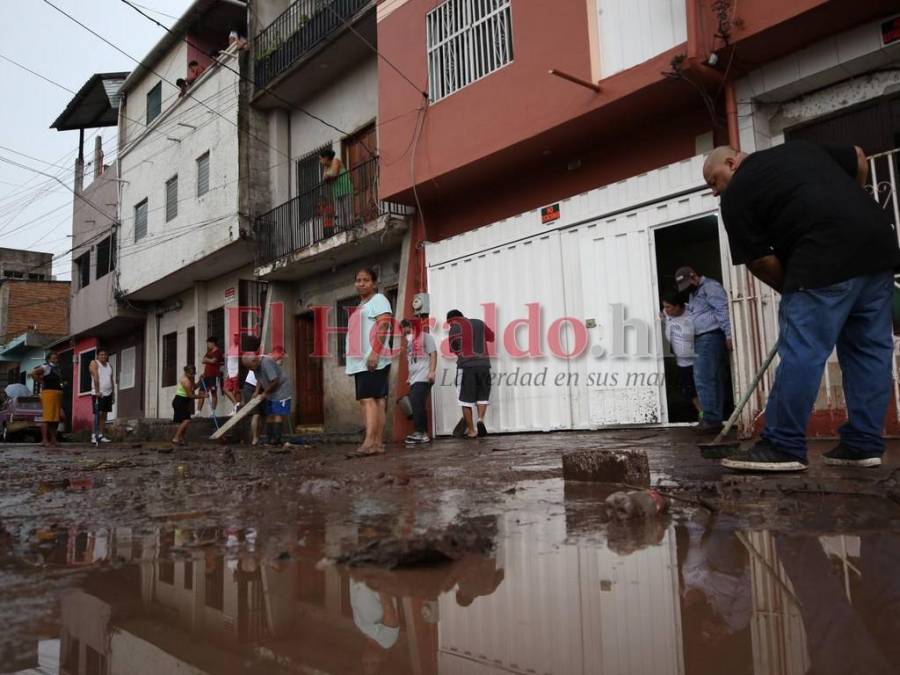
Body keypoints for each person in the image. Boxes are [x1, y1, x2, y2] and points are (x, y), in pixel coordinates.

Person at [704, 141, 900, 471]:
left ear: (731, 162)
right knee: (869, 350)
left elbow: (762, 262)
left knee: (803, 350)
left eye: (714, 181)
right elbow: (857, 156)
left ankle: (782, 444)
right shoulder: (803, 150)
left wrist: (796, 292)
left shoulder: (737, 194)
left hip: (822, 253)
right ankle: (863, 444)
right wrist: (849, 204)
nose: (714, 192)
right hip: (877, 247)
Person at [674, 266, 732, 433]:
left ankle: (711, 419)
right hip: (702, 338)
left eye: (687, 283)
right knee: (711, 379)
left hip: (709, 337)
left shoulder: (710, 288)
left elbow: (722, 310)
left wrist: (729, 334)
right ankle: (714, 418)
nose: (687, 288)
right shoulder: (694, 292)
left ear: (694, 276)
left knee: (704, 378)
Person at [346, 268, 393, 458]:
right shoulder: (362, 305)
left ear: (374, 283)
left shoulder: (378, 300)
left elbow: (384, 325)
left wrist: (375, 352)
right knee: (378, 400)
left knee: (368, 399)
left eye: (366, 280)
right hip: (363, 360)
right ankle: (378, 443)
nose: (361, 283)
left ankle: (369, 442)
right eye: (358, 280)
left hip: (370, 358)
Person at [447, 309, 495, 439]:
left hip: (466, 366)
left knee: (465, 401)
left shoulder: (454, 328)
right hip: (484, 365)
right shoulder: (479, 323)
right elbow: (491, 337)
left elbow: (454, 349)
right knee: (482, 397)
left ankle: (472, 431)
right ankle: (480, 420)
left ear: (451, 320)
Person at [662, 291, 701, 417]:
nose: (665, 310)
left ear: (678, 306)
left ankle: (711, 415)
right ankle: (702, 414)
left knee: (703, 387)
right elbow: (663, 314)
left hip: (698, 359)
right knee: (691, 390)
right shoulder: (666, 313)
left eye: (668, 307)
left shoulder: (691, 312)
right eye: (664, 307)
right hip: (683, 362)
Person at [246, 349, 293, 451]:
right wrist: (256, 391)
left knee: (277, 413)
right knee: (270, 413)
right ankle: (269, 438)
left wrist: (264, 393)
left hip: (281, 388)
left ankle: (276, 439)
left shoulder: (266, 363)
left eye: (250, 367)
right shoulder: (255, 368)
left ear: (255, 361)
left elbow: (275, 381)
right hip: (271, 390)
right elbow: (259, 379)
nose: (251, 369)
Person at [401, 319, 437, 446]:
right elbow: (412, 362)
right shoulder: (411, 343)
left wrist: (432, 371)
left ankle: (420, 432)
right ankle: (423, 434)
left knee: (416, 402)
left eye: (408, 332)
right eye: (404, 333)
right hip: (415, 378)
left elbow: (433, 354)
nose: (406, 335)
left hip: (424, 376)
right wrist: (409, 377)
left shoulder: (426, 337)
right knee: (417, 404)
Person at [31, 352, 64, 448]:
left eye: (56, 358)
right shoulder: (45, 367)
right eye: (53, 358)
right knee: (47, 417)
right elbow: (33, 373)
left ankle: (53, 439)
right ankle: (44, 440)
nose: (55, 360)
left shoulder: (58, 369)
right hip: (48, 393)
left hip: (57, 393)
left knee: (55, 418)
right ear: (49, 359)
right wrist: (41, 382)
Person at [172, 365, 206, 446]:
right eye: (191, 374)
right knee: (186, 420)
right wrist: (202, 396)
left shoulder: (190, 378)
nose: (192, 375)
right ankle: (176, 438)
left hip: (184, 401)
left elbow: (194, 387)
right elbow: (191, 395)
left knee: (185, 421)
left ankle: (182, 439)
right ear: (186, 373)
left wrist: (200, 381)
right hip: (180, 401)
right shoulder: (185, 381)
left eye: (193, 374)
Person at [319, 148, 352, 230]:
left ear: (326, 157)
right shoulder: (326, 168)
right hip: (336, 192)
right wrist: (328, 177)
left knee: (348, 212)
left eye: (321, 159)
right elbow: (324, 179)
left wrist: (328, 177)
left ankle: (350, 228)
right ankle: (342, 230)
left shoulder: (335, 161)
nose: (320, 161)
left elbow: (334, 173)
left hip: (345, 189)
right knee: (340, 213)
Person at [89, 349, 115, 443]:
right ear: (97, 356)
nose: (103, 356)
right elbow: (96, 377)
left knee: (104, 414)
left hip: (108, 392)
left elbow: (111, 380)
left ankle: (100, 435)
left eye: (105, 355)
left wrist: (113, 394)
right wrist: (97, 391)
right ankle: (93, 435)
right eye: (101, 354)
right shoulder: (94, 363)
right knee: (97, 414)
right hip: (98, 393)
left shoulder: (109, 365)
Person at [199, 336, 223, 413]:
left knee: (213, 392)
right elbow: (203, 360)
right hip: (206, 375)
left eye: (208, 343)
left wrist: (207, 360)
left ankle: (213, 411)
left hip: (214, 376)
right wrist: (208, 360)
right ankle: (198, 411)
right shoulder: (209, 352)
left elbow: (214, 361)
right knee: (201, 392)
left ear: (213, 343)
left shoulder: (218, 352)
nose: (208, 345)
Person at [223, 333, 241, 414]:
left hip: (236, 373)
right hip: (230, 373)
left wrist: (238, 373)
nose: (235, 339)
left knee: (236, 392)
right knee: (225, 389)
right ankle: (236, 405)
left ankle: (237, 408)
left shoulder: (240, 348)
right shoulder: (231, 347)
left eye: (237, 337)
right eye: (234, 337)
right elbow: (229, 360)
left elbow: (240, 362)